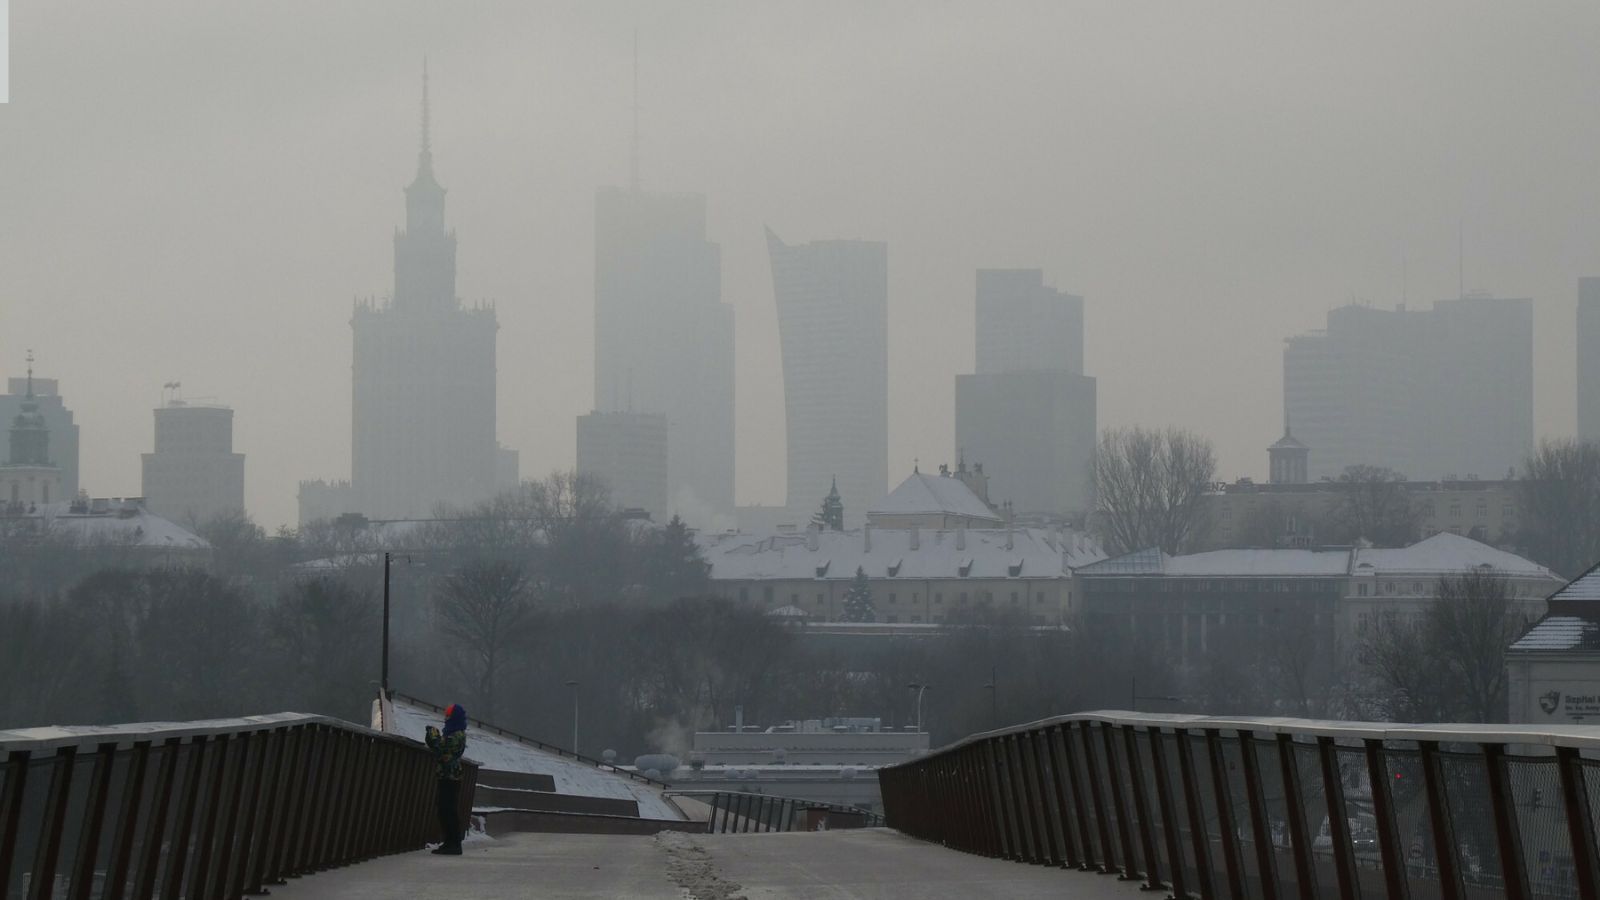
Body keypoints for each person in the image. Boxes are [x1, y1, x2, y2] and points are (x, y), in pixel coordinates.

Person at [425, 703, 468, 855]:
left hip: (450, 777)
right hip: (446, 776)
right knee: (444, 809)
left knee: (448, 810)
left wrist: (433, 736)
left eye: (449, 715)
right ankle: (450, 842)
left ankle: (454, 844)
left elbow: (442, 748)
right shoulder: (453, 733)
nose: (446, 718)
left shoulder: (457, 735)